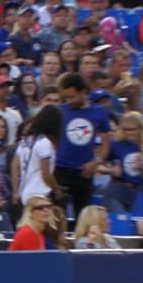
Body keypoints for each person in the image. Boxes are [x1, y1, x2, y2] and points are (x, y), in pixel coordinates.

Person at [55, 72, 110, 216]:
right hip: (61, 170)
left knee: (83, 216)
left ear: (83, 92)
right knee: (57, 215)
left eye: (72, 96)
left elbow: (105, 144)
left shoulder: (100, 112)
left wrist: (95, 163)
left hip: (84, 173)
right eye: (66, 97)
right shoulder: (60, 111)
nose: (69, 100)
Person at [102, 112, 143, 214]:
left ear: (141, 128)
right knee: (113, 203)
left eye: (132, 129)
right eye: (124, 129)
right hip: (119, 187)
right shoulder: (116, 144)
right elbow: (98, 166)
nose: (128, 132)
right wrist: (110, 170)